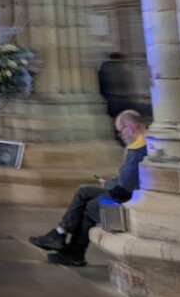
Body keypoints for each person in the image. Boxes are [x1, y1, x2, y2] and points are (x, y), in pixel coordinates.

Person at [29, 110, 148, 267]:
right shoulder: (140, 143)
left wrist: (109, 184)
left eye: (120, 132)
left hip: (128, 198)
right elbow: (126, 178)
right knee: (84, 191)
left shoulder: (138, 149)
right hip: (124, 192)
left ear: (131, 127)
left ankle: (75, 253)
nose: (121, 136)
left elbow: (126, 184)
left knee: (91, 206)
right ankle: (59, 233)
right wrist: (110, 182)